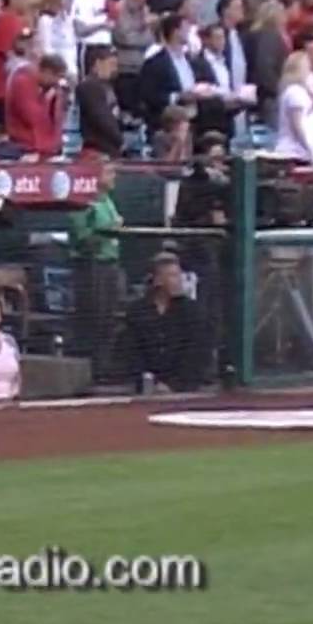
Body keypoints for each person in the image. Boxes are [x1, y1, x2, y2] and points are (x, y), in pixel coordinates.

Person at [69, 161, 122, 380]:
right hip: (91, 268)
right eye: (109, 172)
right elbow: (83, 239)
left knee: (110, 319)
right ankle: (90, 370)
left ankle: (105, 367)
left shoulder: (108, 200)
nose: (114, 176)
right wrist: (109, 230)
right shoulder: (84, 202)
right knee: (95, 319)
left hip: (111, 265)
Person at [125, 252, 204, 393]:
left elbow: (195, 352)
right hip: (146, 386)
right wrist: (151, 382)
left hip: (184, 387)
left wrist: (174, 385)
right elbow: (132, 351)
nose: (179, 281)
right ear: (158, 280)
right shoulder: (137, 311)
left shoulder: (191, 311)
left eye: (179, 275)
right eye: (173, 276)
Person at [272, 50, 313, 167]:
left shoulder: (306, 90)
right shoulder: (294, 92)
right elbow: (297, 126)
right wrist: (311, 151)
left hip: (307, 153)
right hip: (294, 153)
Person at [4, 52, 67, 158]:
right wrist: (47, 99)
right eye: (57, 77)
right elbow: (31, 117)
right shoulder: (22, 82)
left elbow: (57, 121)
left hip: (48, 149)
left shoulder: (51, 88)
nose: (57, 82)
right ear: (47, 72)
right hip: (25, 148)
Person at [76, 44, 122, 159]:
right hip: (98, 150)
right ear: (98, 63)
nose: (114, 69)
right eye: (111, 64)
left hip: (111, 148)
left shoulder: (107, 86)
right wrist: (119, 139)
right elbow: (101, 117)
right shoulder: (89, 86)